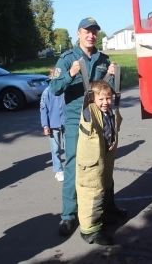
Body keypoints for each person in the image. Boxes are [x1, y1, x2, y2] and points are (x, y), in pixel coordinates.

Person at [50, 17, 127, 236]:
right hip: (77, 120)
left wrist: (114, 75)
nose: (91, 35)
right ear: (78, 33)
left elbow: (108, 90)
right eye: (87, 31)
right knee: (75, 166)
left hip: (101, 119)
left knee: (105, 164)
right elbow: (54, 88)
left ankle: (108, 209)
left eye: (94, 31)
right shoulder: (67, 59)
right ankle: (68, 215)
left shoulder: (104, 59)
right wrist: (70, 74)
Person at [76, 80, 122, 245]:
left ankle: (107, 213)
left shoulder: (109, 110)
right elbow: (87, 106)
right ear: (91, 99)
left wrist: (113, 75)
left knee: (106, 182)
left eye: (108, 98)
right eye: (101, 99)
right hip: (91, 160)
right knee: (92, 189)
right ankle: (90, 231)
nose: (105, 102)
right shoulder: (89, 111)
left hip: (104, 154)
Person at [40, 65, 65, 182]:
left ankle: (71, 168)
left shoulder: (65, 89)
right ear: (50, 77)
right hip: (53, 124)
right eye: (54, 76)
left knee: (69, 147)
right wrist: (45, 125)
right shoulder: (47, 91)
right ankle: (58, 170)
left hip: (66, 122)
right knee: (55, 148)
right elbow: (43, 108)